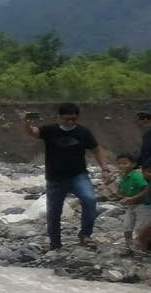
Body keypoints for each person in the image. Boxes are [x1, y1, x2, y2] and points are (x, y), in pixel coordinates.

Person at [19, 102, 114, 249]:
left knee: (89, 200)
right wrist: (26, 122)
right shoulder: (50, 130)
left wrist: (105, 169)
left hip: (78, 175)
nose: (70, 122)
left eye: (74, 119)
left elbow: (96, 150)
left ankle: (85, 234)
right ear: (59, 117)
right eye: (67, 119)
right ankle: (55, 243)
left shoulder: (83, 132)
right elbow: (32, 132)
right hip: (55, 178)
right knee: (54, 212)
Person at [116, 152, 151, 252]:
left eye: (124, 163)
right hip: (131, 206)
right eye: (119, 163)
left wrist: (132, 198)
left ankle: (140, 245)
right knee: (127, 225)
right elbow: (123, 191)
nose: (121, 166)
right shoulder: (123, 177)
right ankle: (129, 245)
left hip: (143, 206)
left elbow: (145, 190)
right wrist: (120, 195)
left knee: (141, 227)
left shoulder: (137, 177)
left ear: (133, 165)